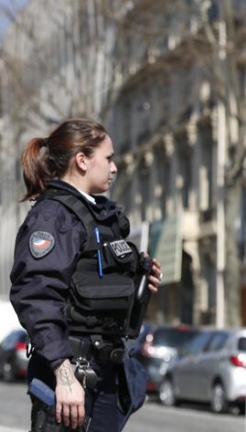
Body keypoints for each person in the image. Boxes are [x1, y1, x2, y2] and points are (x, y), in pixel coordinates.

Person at [9, 119, 163, 432]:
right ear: (82, 160)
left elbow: (94, 278)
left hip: (106, 370)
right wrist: (63, 375)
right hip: (70, 371)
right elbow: (36, 295)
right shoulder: (54, 216)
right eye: (108, 158)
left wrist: (138, 275)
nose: (114, 167)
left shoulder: (100, 216)